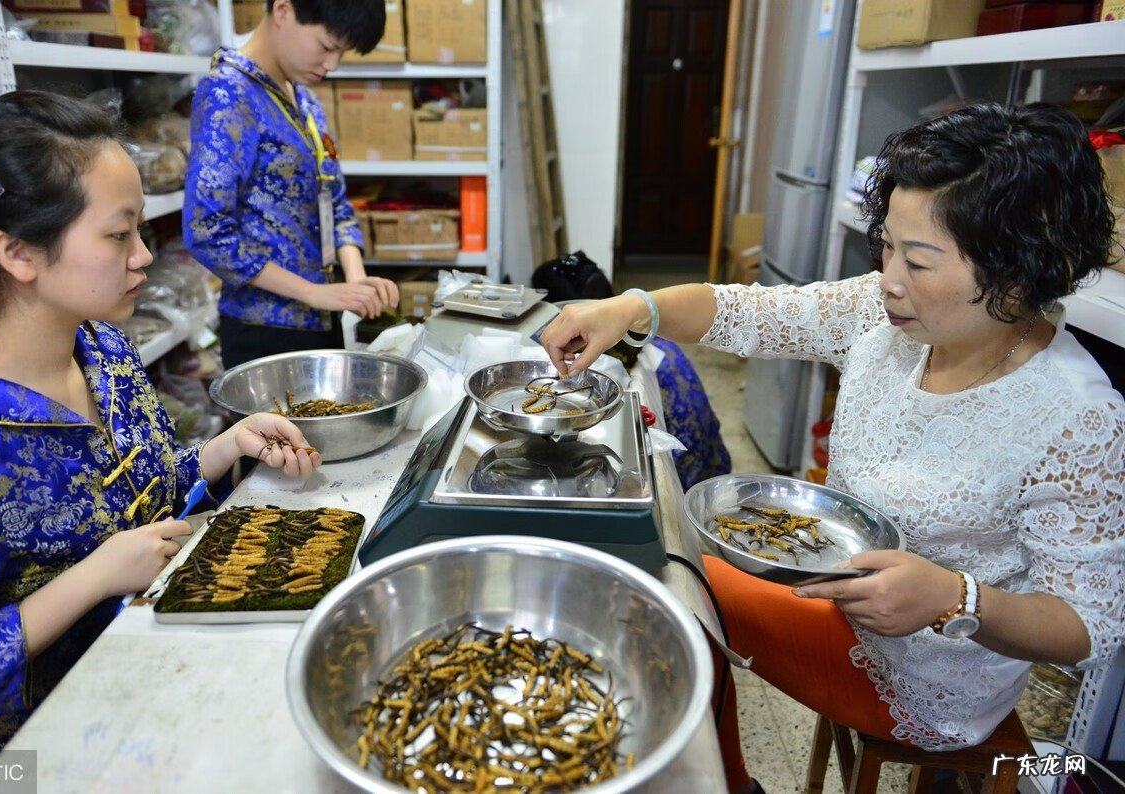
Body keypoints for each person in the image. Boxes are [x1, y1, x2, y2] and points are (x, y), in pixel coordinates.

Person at [540, 103, 1124, 792]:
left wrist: (953, 596)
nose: (888, 279)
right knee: (658, 561)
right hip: (836, 596)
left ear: (1018, 272)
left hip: (923, 675)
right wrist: (627, 309)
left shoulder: (1078, 417)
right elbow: (743, 312)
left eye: (920, 260)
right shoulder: (881, 317)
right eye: (887, 247)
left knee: (666, 589)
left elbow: (1088, 625)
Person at [0, 90, 323, 766]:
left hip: (161, 681)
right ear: (19, 252)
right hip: (42, 757)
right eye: (119, 234)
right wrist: (91, 579)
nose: (143, 256)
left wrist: (226, 449)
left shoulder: (103, 351)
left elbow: (145, 503)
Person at [184, 0, 399, 370]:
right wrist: (313, 293)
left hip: (325, 314)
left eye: (342, 53)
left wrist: (357, 283)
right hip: (266, 329)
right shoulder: (228, 95)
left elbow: (334, 200)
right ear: (283, 10)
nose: (332, 65)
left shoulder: (304, 100)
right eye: (327, 47)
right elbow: (207, 230)